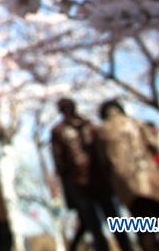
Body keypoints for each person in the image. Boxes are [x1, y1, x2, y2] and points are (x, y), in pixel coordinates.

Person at [96, 100, 159, 251]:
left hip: (125, 184)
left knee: (144, 229)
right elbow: (154, 145)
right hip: (150, 177)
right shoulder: (135, 122)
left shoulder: (101, 132)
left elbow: (103, 161)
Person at [50, 98, 131, 251]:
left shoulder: (85, 127)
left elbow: (59, 162)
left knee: (106, 221)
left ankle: (124, 246)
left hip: (90, 180)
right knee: (99, 223)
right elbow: (59, 161)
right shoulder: (83, 127)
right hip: (85, 182)